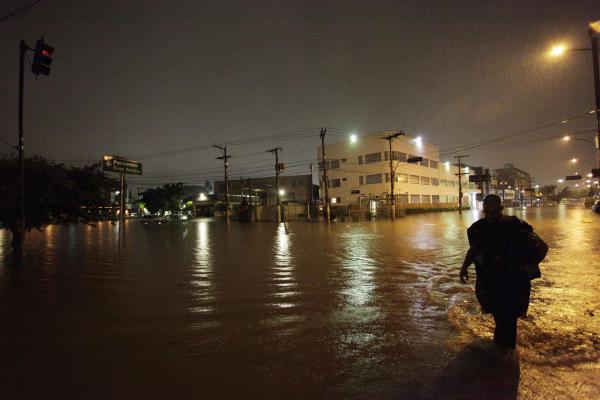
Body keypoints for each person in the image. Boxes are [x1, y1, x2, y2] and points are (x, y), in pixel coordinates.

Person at [460, 194, 534, 349]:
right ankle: (503, 354)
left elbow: (533, 244)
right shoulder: (478, 228)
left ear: (501, 209)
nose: (491, 216)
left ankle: (504, 355)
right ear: (483, 210)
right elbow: (474, 250)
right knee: (499, 316)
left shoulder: (515, 225)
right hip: (490, 281)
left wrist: (528, 267)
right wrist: (465, 266)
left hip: (513, 281)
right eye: (488, 212)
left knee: (508, 317)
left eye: (495, 212)